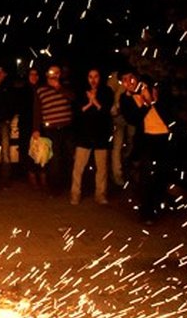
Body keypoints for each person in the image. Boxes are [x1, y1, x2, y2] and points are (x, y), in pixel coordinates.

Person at [119, 72, 173, 224]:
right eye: (124, 80)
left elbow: (168, 110)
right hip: (147, 139)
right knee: (147, 176)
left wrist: (154, 100)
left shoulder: (151, 89)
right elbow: (133, 119)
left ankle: (158, 205)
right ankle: (146, 212)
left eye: (131, 78)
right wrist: (146, 104)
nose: (129, 82)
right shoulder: (125, 99)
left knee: (162, 173)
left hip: (164, 136)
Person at [70, 68, 114, 205]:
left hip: (101, 134)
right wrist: (89, 103)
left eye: (96, 76)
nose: (93, 80)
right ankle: (75, 194)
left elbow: (106, 111)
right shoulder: (81, 92)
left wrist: (95, 101)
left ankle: (100, 195)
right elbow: (77, 111)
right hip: (84, 134)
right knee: (78, 168)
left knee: (101, 168)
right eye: (90, 77)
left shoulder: (107, 91)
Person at [32, 65, 74, 194]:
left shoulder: (66, 86)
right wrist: (36, 129)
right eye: (52, 72)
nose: (54, 75)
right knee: (54, 159)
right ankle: (54, 188)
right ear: (47, 74)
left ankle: (68, 184)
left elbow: (73, 98)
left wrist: (58, 87)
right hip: (51, 129)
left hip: (67, 127)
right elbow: (37, 111)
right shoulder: (41, 90)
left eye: (57, 72)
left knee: (68, 156)